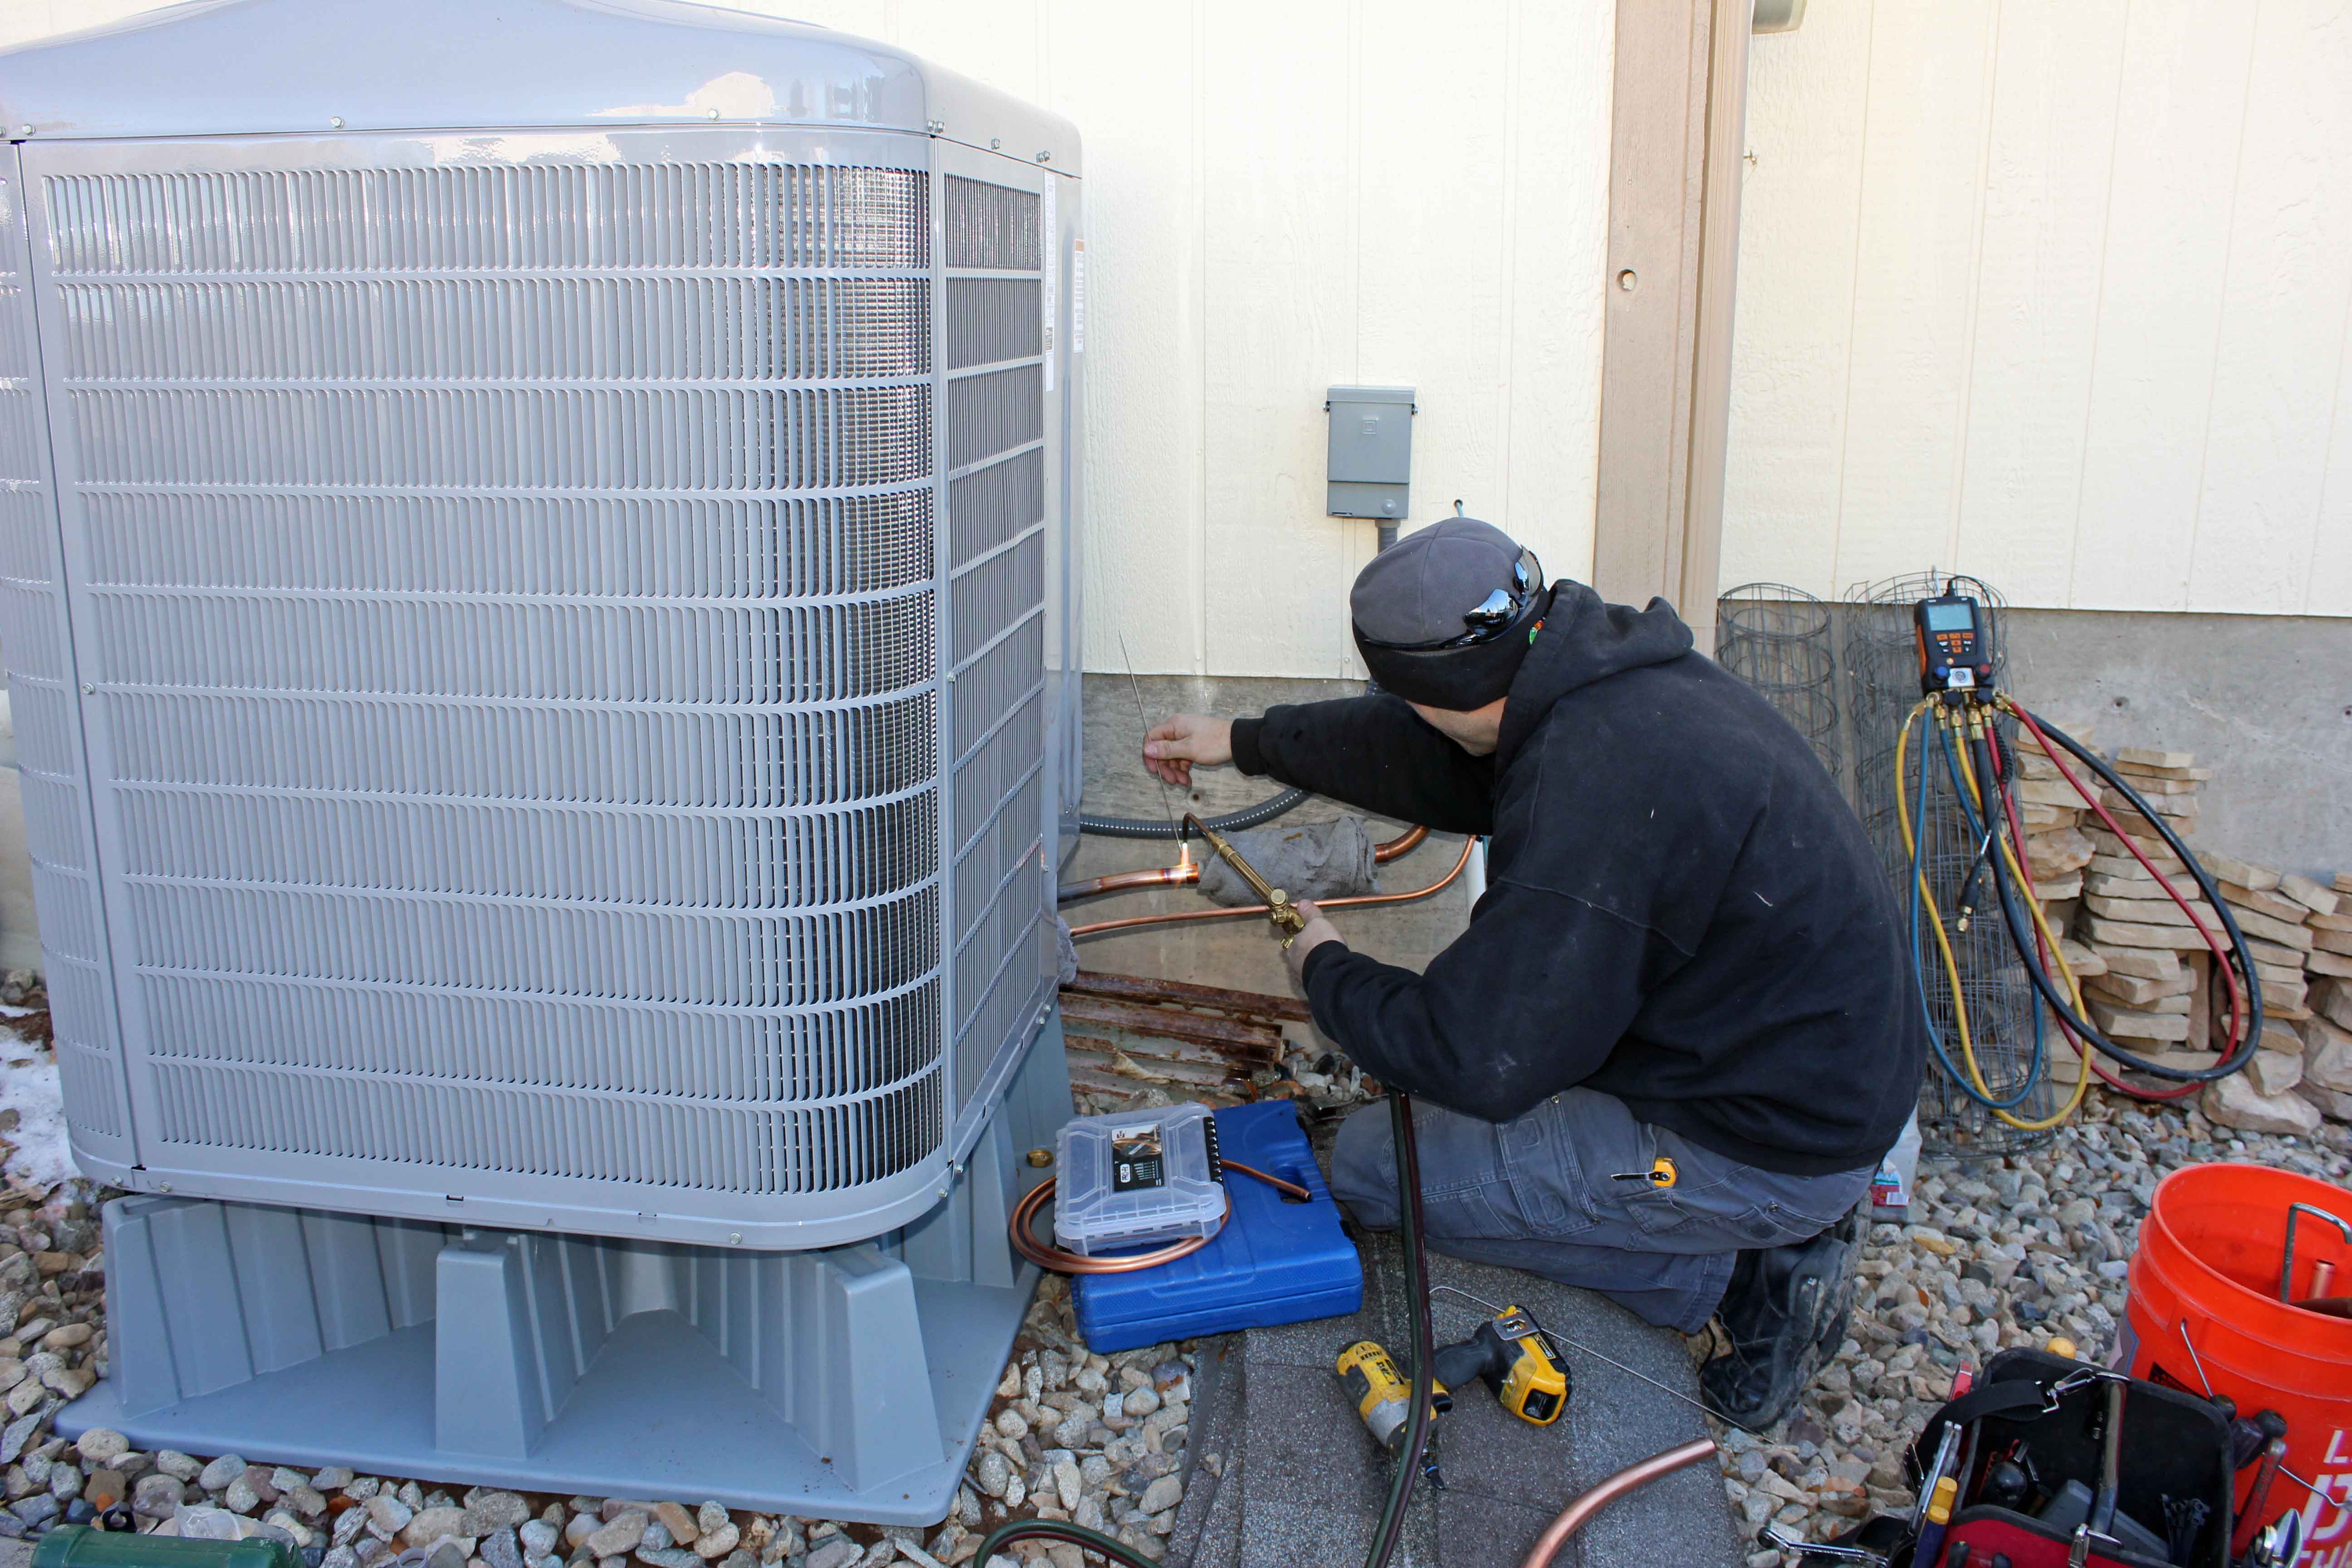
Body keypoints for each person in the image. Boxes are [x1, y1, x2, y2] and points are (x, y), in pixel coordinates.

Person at [1141, 518, 1926, 1426]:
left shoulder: (1591, 788)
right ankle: (1738, 1231)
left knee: (1369, 1167)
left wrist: (1326, 971)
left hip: (1764, 1146)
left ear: (1433, 695)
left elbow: (1480, 1055)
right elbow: (1420, 755)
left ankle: (1742, 1279)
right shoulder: (1602, 678)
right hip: (1778, 1067)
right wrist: (1244, 739)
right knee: (1432, 1135)